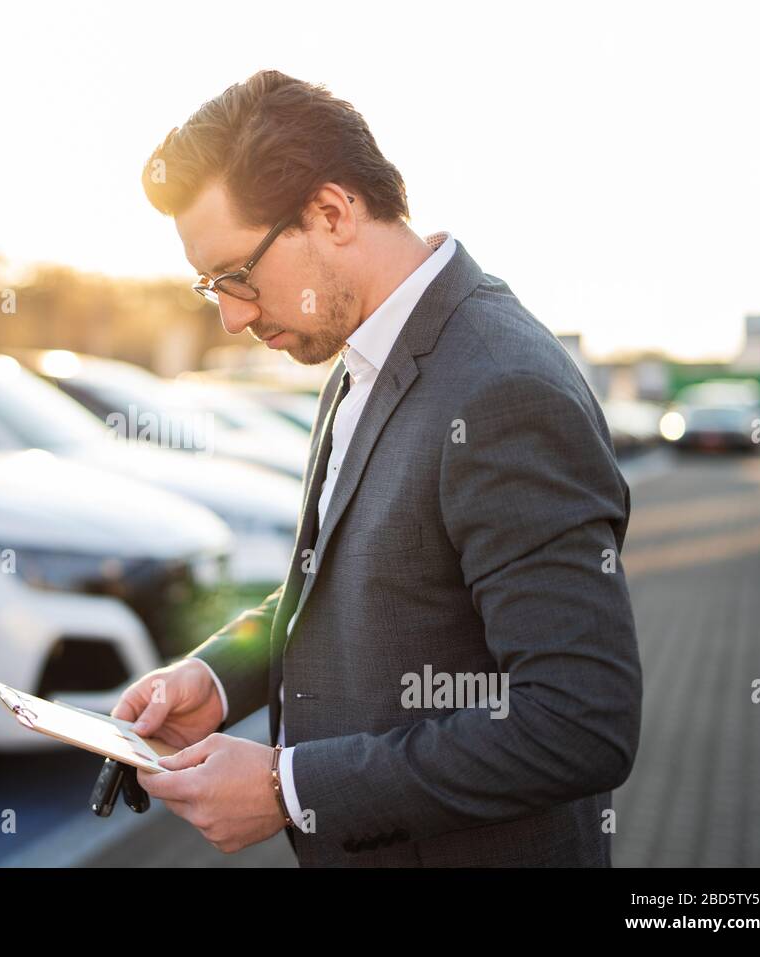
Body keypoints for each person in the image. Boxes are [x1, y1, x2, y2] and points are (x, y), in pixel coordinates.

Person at [110, 69, 642, 866]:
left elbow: (578, 719)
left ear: (331, 212)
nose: (230, 316)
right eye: (209, 287)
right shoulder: (356, 359)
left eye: (237, 276)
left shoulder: (504, 388)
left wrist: (287, 791)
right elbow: (340, 584)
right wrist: (215, 679)